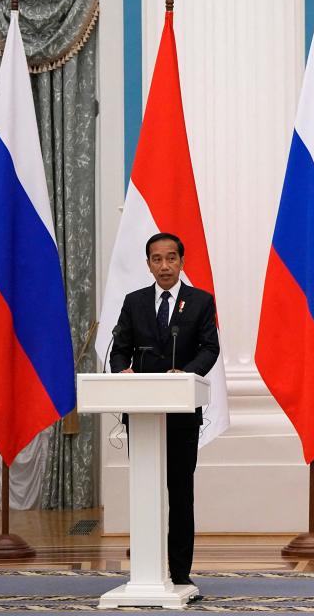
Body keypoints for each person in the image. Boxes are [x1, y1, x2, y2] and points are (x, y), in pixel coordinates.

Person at [110, 232, 220, 588]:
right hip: (142, 415)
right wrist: (122, 371)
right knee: (145, 490)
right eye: (157, 259)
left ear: (181, 261)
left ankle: (181, 574)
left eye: (171, 258)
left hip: (182, 415)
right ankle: (145, 570)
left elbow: (209, 348)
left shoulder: (200, 302)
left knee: (180, 494)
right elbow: (119, 349)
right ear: (148, 264)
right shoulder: (134, 302)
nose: (164, 266)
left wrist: (186, 374)